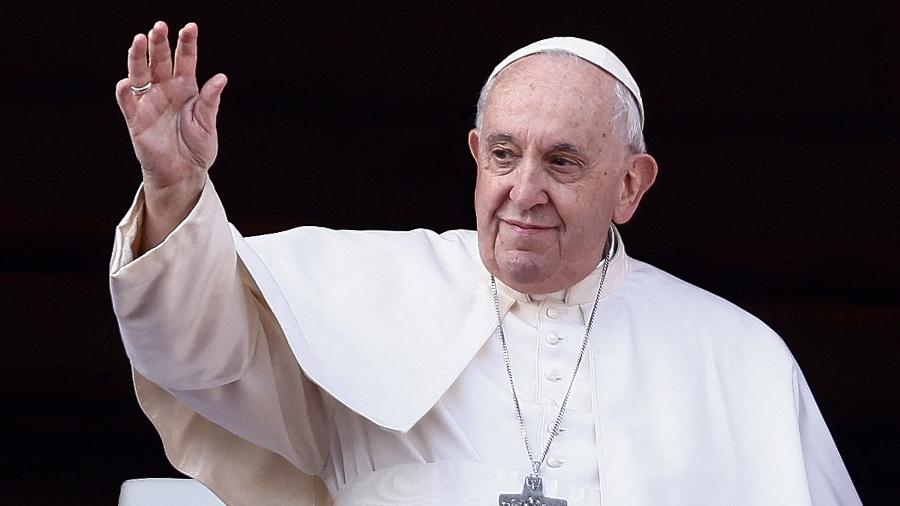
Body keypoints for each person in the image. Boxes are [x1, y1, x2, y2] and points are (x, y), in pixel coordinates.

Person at [110, 21, 862, 506]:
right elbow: (195, 351)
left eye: (561, 162)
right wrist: (175, 188)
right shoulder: (366, 290)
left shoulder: (737, 360)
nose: (523, 191)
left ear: (630, 185)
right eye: (504, 154)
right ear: (477, 156)